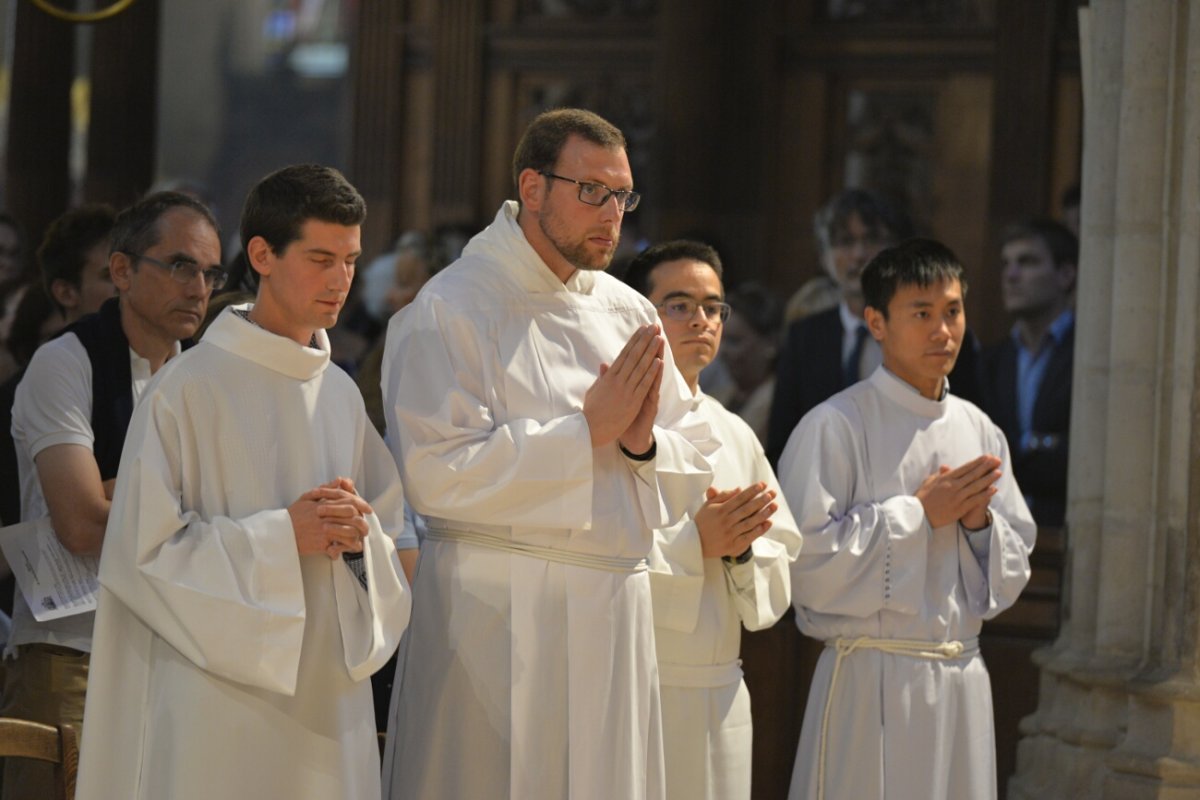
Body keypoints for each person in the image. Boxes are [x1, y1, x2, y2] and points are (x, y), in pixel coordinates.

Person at [381, 108, 715, 800]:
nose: (611, 213)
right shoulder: (451, 307)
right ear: (532, 188)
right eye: (591, 191)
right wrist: (583, 433)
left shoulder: (631, 314)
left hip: (611, 615)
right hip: (494, 616)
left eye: (622, 195)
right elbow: (434, 476)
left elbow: (693, 459)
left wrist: (641, 443)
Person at [76, 165, 412, 800]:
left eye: (350, 260)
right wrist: (283, 536)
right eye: (320, 258)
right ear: (262, 254)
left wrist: (360, 541)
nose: (341, 281)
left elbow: (391, 538)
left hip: (326, 701)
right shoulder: (186, 390)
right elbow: (140, 557)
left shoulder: (339, 395)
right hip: (212, 701)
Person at [778, 238, 1035, 800]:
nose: (943, 331)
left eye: (953, 311)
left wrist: (977, 526)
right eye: (922, 314)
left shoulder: (981, 430)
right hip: (871, 681)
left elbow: (1014, 567)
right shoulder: (834, 426)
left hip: (960, 678)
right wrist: (918, 516)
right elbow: (804, 565)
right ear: (876, 322)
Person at [1, 192, 218, 800]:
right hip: (70, 649)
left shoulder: (207, 375)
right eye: (179, 266)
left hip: (176, 648)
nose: (199, 287)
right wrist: (189, 488)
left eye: (210, 272)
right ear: (122, 272)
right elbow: (81, 525)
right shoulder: (64, 365)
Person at [625, 240, 802, 800]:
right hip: (636, 683)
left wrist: (742, 550)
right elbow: (588, 549)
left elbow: (779, 553)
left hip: (720, 685)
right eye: (678, 304)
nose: (700, 319)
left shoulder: (735, 432)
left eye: (712, 306)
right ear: (637, 313)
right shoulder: (610, 419)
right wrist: (693, 544)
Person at [766, 188, 982, 465]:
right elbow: (783, 441)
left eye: (872, 239)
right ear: (823, 256)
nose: (858, 255)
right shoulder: (804, 336)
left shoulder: (943, 336)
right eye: (844, 242)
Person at [980, 218, 1077, 527]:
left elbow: (1076, 461)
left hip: (1063, 528)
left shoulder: (1089, 359)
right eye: (1006, 264)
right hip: (998, 532)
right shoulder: (990, 361)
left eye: (1027, 262)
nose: (1011, 275)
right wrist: (1039, 445)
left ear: (1065, 274)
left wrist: (1017, 454)